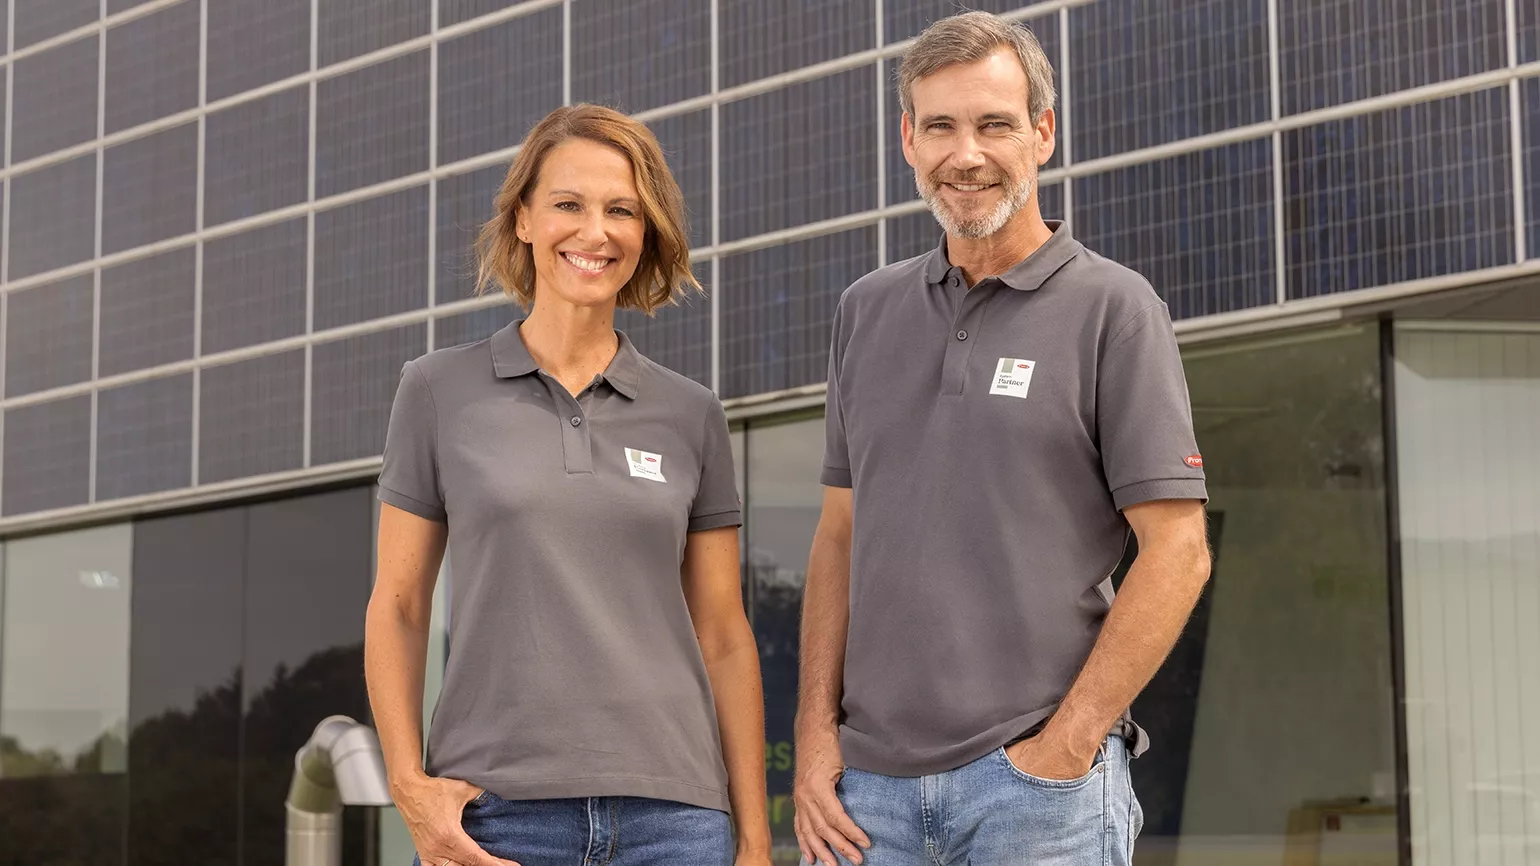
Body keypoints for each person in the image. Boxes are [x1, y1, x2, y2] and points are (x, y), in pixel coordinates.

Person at [791, 11, 1212, 866]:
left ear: (1043, 133)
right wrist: (813, 737)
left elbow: (1178, 551)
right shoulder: (864, 313)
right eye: (940, 126)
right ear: (907, 140)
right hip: (864, 799)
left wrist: (1064, 748)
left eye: (994, 124)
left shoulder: (1114, 310)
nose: (966, 153)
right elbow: (838, 537)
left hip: (1037, 796)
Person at [365, 104, 771, 866]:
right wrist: (409, 785)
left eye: (622, 210)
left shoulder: (691, 413)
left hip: (675, 823)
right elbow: (398, 603)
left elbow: (723, 633)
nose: (595, 232)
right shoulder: (436, 390)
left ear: (645, 232)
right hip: (496, 818)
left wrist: (752, 840)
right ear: (522, 219)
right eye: (568, 205)